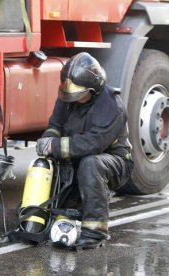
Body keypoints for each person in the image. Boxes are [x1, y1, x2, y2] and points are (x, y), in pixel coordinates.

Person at [36, 52, 134, 250]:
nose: (75, 98)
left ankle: (94, 232)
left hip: (115, 162)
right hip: (80, 158)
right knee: (52, 162)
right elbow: (55, 125)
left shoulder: (112, 106)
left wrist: (55, 146)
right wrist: (48, 140)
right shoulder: (67, 95)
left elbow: (92, 144)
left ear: (94, 88)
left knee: (91, 163)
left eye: (80, 94)